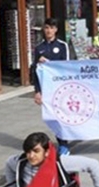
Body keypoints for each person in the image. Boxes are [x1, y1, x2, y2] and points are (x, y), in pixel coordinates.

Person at [30, 17, 72, 152]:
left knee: (62, 115)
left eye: (52, 28)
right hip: (46, 88)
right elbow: (35, 71)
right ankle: (60, 139)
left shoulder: (62, 46)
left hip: (60, 87)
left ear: (56, 30)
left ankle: (64, 143)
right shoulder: (39, 48)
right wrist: (37, 91)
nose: (49, 30)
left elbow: (65, 67)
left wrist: (47, 62)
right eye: (47, 27)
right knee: (51, 117)